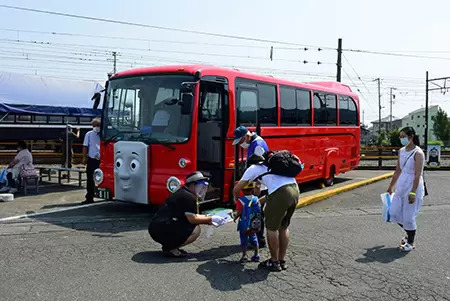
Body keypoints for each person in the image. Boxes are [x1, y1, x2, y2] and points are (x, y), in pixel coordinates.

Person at [233, 153, 300, 272]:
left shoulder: (253, 169)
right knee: (283, 226)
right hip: (295, 190)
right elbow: (272, 190)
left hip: (281, 193)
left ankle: (274, 262)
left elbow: (237, 189)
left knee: (271, 228)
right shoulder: (273, 167)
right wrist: (259, 200)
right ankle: (281, 260)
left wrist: (238, 202)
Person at [148, 172, 226, 257]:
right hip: (161, 228)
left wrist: (210, 217)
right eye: (200, 186)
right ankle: (171, 247)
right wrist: (211, 219)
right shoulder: (188, 197)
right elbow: (192, 219)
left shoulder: (184, 193)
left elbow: (192, 215)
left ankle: (170, 245)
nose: (202, 189)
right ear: (192, 185)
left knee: (192, 225)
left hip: (158, 227)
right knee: (195, 230)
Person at [387, 127, 425, 252]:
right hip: (402, 183)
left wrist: (413, 191)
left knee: (408, 216)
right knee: (394, 213)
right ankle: (409, 233)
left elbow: (417, 174)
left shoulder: (418, 153)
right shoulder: (402, 151)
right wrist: (391, 186)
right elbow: (398, 170)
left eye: (403, 136)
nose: (401, 139)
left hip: (413, 184)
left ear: (411, 137)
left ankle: (410, 242)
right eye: (400, 136)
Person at [233, 126, 269, 247]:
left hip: (260, 185)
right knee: (255, 211)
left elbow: (260, 167)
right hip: (256, 183)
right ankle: (256, 238)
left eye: (241, 141)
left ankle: (259, 239)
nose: (241, 144)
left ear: (247, 136)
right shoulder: (254, 142)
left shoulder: (258, 144)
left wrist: (255, 187)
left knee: (257, 212)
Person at [233, 181, 261, 263]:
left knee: (244, 239)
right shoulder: (256, 199)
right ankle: (256, 254)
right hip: (253, 223)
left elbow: (239, 211)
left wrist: (235, 217)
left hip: (244, 223)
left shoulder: (241, 200)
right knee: (254, 238)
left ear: (242, 190)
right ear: (252, 189)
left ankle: (244, 256)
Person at [81, 118, 101, 205]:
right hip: (92, 159)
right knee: (90, 178)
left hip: (102, 159)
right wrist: (84, 158)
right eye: (94, 126)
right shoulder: (89, 134)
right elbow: (85, 146)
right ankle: (89, 197)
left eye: (97, 125)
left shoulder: (103, 134)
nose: (95, 127)